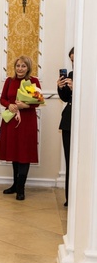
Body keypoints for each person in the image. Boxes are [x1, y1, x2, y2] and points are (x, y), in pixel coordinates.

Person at [0, 56, 41, 201]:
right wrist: (9, 105)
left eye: (23, 66)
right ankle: (15, 185)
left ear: (28, 68)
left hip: (27, 123)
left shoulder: (33, 81)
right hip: (10, 121)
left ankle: (21, 189)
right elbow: (2, 99)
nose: (20, 69)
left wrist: (24, 105)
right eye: (18, 66)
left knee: (24, 154)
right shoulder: (9, 81)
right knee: (14, 153)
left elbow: (37, 103)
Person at [57, 47, 74, 207]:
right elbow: (66, 98)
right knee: (70, 161)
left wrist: (77, 89)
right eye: (71, 60)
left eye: (75, 60)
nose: (73, 63)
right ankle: (70, 198)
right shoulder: (71, 75)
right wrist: (61, 87)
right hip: (68, 121)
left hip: (85, 122)